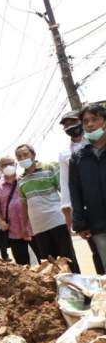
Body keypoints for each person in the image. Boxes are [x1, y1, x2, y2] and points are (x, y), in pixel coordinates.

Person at [15, 144, 80, 273]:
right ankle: (59, 290)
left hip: (58, 222)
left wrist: (71, 216)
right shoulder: (21, 180)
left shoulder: (49, 168)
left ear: (33, 155)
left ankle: (78, 289)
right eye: (19, 157)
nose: (23, 158)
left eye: (25, 154)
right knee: (49, 264)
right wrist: (24, 227)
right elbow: (24, 205)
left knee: (68, 259)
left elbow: (65, 191)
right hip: (38, 228)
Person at [60, 110, 104, 274]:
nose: (71, 127)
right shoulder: (69, 155)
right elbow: (68, 187)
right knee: (98, 251)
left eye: (73, 122)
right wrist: (73, 218)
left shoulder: (98, 142)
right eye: (66, 125)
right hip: (90, 210)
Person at [70, 104, 106, 267]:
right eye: (85, 121)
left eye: (95, 119)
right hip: (97, 224)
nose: (90, 124)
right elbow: (75, 192)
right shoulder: (78, 158)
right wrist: (79, 222)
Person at [0, 156, 34, 265]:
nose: (7, 166)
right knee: (23, 265)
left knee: (44, 260)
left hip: (34, 228)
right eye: (4, 165)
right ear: (0, 168)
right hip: (14, 232)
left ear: (15, 164)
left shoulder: (25, 178)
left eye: (9, 163)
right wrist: (0, 221)